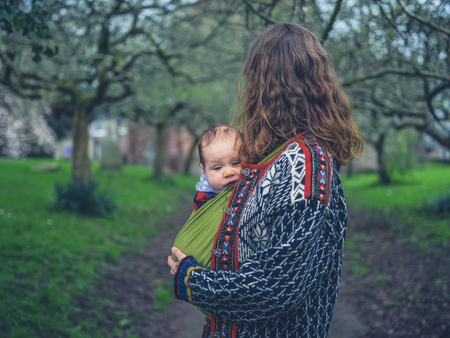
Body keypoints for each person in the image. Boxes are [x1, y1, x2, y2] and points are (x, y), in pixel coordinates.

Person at [168, 23, 364, 338]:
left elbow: (275, 288)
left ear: (266, 84)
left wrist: (191, 281)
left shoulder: (306, 166)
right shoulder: (274, 155)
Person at [192, 125, 243, 212]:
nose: (229, 172)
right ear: (204, 172)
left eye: (235, 163)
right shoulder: (203, 198)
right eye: (217, 168)